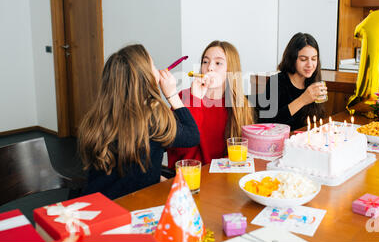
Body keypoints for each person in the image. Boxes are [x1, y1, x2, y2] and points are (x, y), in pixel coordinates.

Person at [78, 44, 200, 199]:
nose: (158, 70)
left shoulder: (96, 118)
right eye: (153, 66)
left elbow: (133, 172)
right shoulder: (154, 119)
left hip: (95, 204)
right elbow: (192, 135)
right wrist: (172, 95)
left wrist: (157, 177)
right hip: (130, 208)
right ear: (147, 79)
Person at [167, 40, 254, 169]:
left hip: (224, 176)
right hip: (190, 178)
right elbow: (180, 150)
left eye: (218, 63)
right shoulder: (183, 97)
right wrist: (195, 100)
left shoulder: (240, 105)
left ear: (231, 70)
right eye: (205, 62)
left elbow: (243, 153)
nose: (210, 67)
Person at [257, 32, 327, 130]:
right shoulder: (276, 82)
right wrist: (302, 100)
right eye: (303, 59)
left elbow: (316, 119)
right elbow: (266, 123)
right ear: (292, 58)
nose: (310, 65)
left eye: (314, 59)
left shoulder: (314, 81)